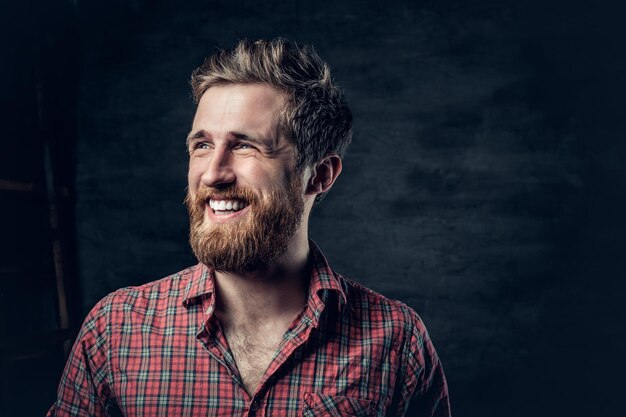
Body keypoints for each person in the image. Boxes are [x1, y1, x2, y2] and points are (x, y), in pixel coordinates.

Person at [48, 38, 450, 417]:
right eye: (202, 145)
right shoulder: (115, 330)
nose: (213, 174)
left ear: (319, 176)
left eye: (245, 145)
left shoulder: (395, 341)